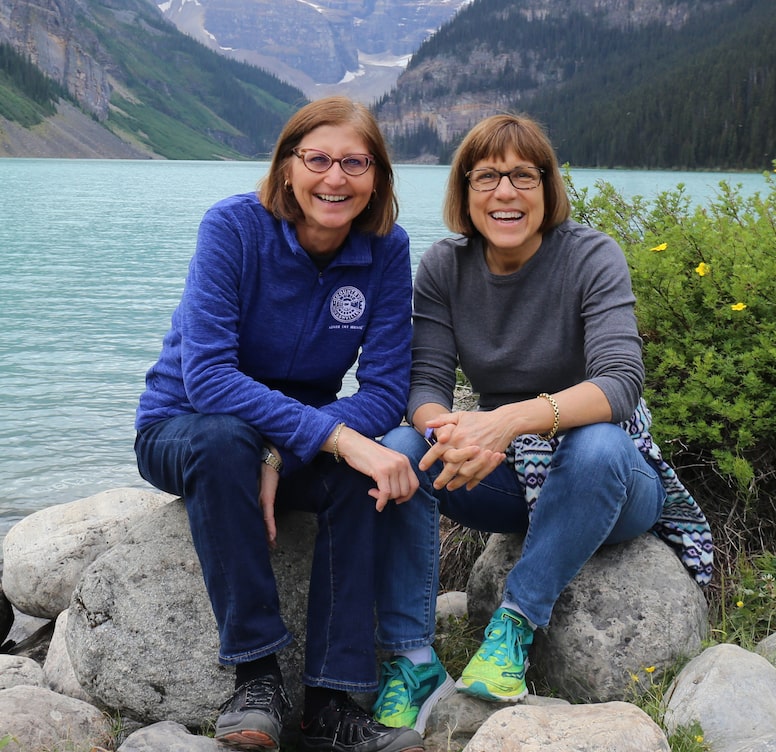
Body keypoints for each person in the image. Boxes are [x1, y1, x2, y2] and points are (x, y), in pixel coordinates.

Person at [371, 113, 713, 729]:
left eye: (523, 176)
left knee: (598, 444)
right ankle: (413, 658)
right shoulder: (445, 267)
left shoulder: (590, 256)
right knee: (399, 447)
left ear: (549, 186)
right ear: (464, 190)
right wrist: (447, 433)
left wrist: (504, 424)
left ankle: (514, 628)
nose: (506, 192)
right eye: (488, 177)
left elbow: (619, 384)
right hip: (502, 474)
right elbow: (423, 386)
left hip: (609, 482)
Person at [134, 96, 425, 752]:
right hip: (186, 429)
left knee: (356, 479)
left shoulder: (386, 250)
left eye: (355, 162)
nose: (335, 178)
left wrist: (284, 453)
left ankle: (331, 702)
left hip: (284, 441)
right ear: (287, 167)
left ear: (377, 176)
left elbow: (383, 389)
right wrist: (331, 437)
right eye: (317, 159)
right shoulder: (233, 228)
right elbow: (207, 379)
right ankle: (256, 676)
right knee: (226, 440)